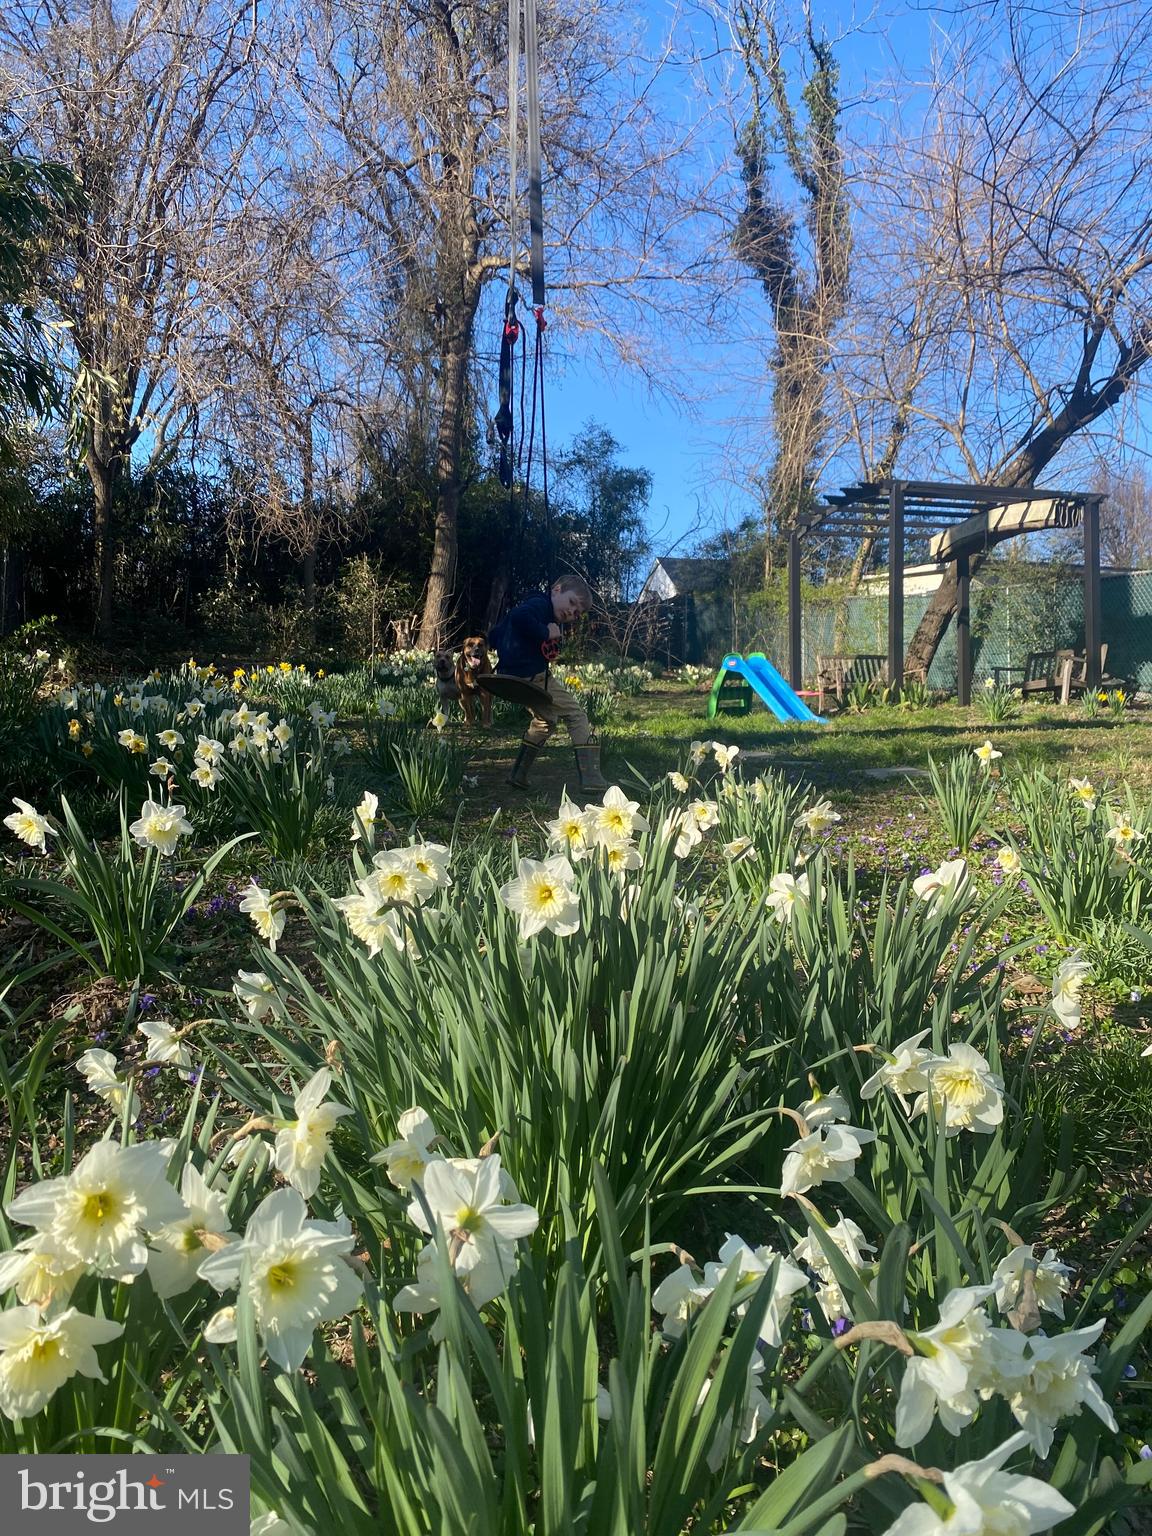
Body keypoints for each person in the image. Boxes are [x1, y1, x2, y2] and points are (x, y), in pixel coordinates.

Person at [488, 573, 607, 792]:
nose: (572, 612)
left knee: (545, 720)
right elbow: (518, 616)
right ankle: (591, 778)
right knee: (576, 715)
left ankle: (518, 775)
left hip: (516, 676)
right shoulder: (539, 605)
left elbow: (495, 635)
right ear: (556, 590)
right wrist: (545, 632)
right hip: (534, 677)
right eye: (572, 603)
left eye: (577, 613)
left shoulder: (540, 609)